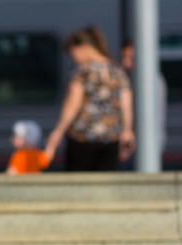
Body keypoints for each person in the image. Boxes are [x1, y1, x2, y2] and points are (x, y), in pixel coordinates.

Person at [46, 26, 135, 171]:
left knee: (78, 187)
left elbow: (72, 105)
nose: (74, 58)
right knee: (105, 187)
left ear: (83, 47)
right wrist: (127, 130)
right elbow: (126, 104)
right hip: (111, 138)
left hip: (82, 138)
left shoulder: (82, 71)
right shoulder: (117, 70)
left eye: (72, 53)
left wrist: (58, 131)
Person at [120, 38, 168, 169]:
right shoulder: (132, 79)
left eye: (130, 58)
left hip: (143, 144)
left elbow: (151, 118)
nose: (126, 63)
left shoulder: (151, 81)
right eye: (123, 57)